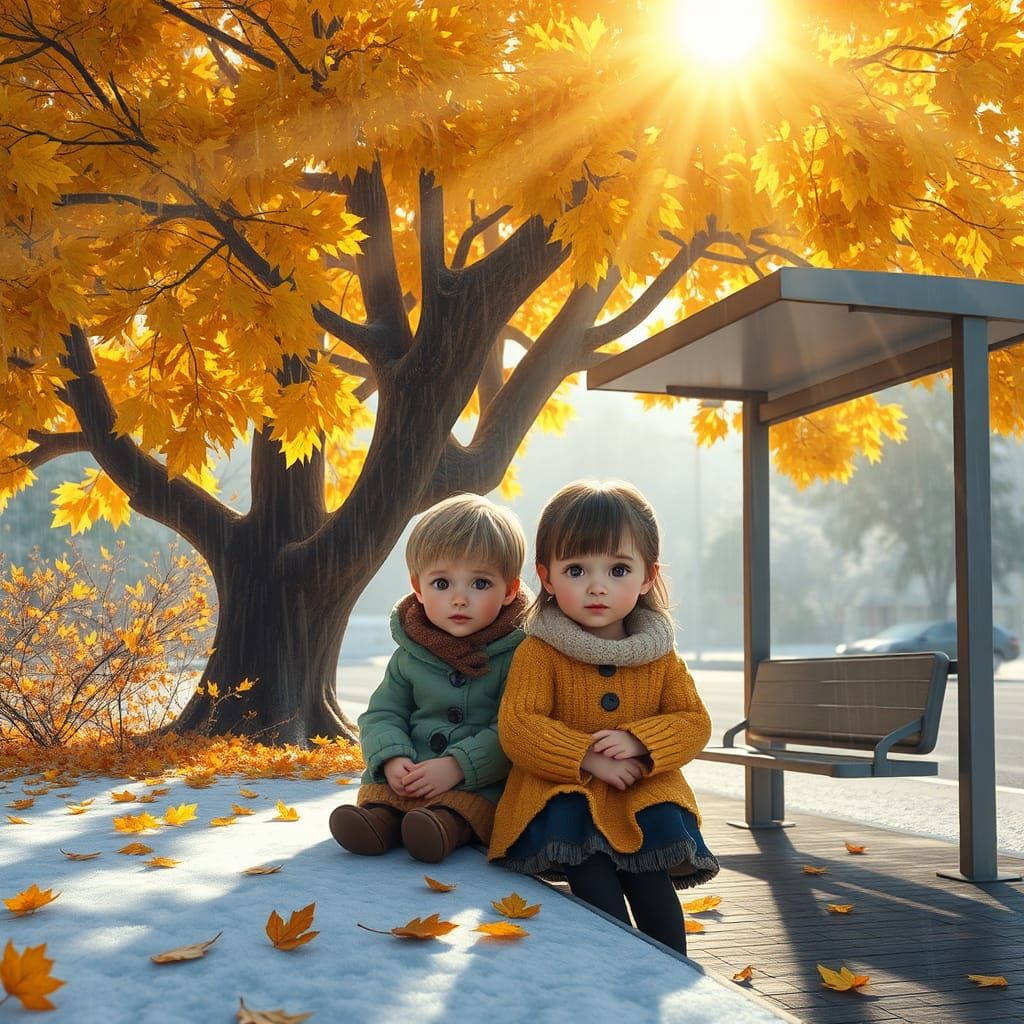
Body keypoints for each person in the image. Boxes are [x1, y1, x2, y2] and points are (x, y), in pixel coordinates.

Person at [489, 480, 719, 955]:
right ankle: (615, 973)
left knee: (652, 886)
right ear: (547, 577)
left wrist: (640, 740)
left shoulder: (659, 654)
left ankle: (671, 971)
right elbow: (518, 726)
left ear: (647, 577)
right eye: (576, 570)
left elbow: (693, 721)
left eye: (618, 569)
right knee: (599, 897)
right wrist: (588, 757)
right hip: (565, 797)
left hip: (640, 795)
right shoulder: (540, 651)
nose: (597, 586)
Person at [330, 494, 527, 864]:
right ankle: (377, 823)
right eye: (441, 584)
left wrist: (456, 766)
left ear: (510, 591)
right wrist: (392, 758)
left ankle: (440, 829)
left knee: (460, 810)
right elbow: (382, 713)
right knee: (385, 797)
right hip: (409, 768)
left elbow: (512, 729)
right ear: (418, 588)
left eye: (480, 584)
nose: (459, 599)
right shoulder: (411, 653)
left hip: (476, 780)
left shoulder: (517, 655)